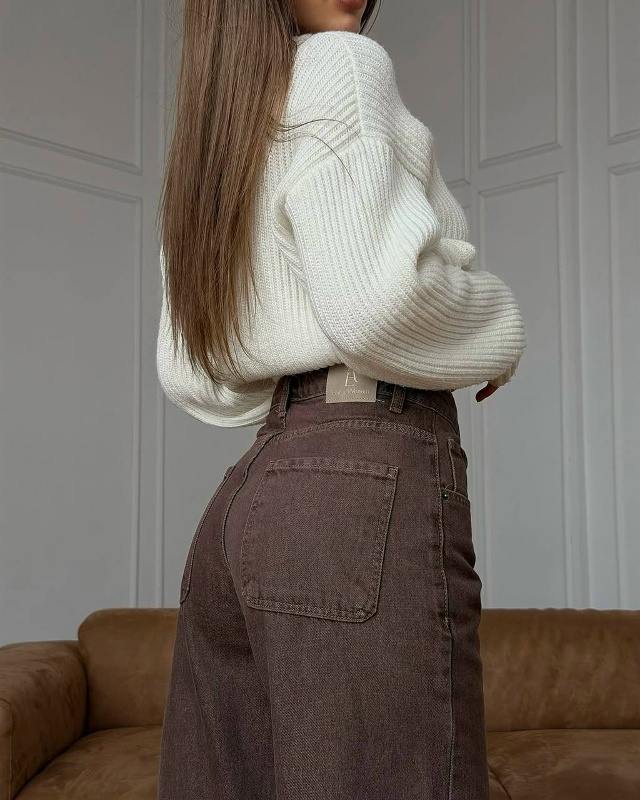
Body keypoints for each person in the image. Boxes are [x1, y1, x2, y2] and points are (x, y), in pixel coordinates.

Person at [156, 1, 526, 798]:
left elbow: (193, 368)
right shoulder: (340, 67)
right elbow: (380, 307)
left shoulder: (218, 122)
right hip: (361, 487)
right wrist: (498, 326)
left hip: (245, 504)